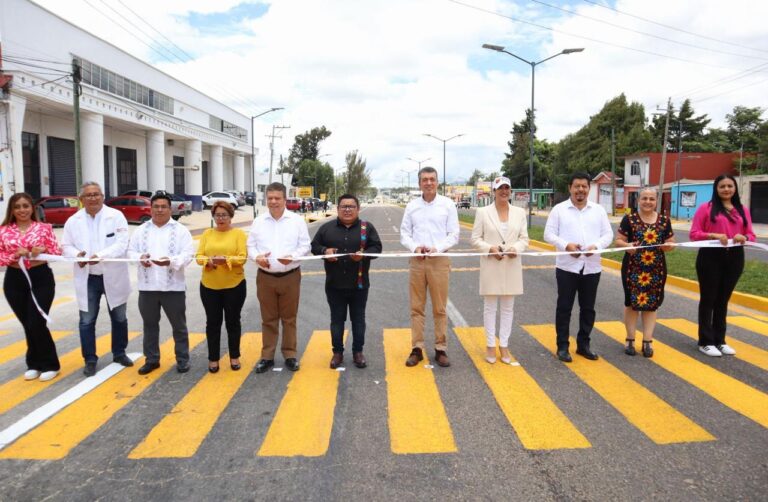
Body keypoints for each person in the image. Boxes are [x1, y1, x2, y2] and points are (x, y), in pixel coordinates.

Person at [62, 182, 133, 377]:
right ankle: (90, 359)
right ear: (81, 199)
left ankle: (119, 353)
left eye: (96, 194)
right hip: (88, 278)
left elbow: (121, 244)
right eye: (88, 195)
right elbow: (66, 246)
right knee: (86, 321)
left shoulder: (116, 216)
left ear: (103, 196)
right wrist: (78, 255)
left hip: (113, 275)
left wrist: (99, 255)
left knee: (119, 317)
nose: (93, 198)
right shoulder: (73, 221)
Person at [544, 172, 613, 362]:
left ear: (589, 188)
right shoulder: (559, 209)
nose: (580, 190)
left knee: (588, 308)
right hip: (567, 267)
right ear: (570, 188)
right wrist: (566, 245)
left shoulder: (598, 210)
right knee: (564, 307)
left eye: (584, 186)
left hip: (591, 267)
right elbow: (548, 234)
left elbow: (608, 235)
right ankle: (563, 346)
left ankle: (584, 345)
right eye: (577, 186)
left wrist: (596, 247)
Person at [311, 194, 383, 369]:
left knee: (358, 320)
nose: (347, 209)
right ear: (338, 209)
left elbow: (377, 248)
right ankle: (337, 353)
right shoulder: (326, 228)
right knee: (337, 320)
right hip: (334, 284)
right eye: (344, 206)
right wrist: (324, 251)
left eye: (351, 206)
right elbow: (314, 246)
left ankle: (358, 352)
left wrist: (363, 256)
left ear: (358, 209)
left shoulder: (367, 228)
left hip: (359, 284)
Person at [127, 193, 195, 375]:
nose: (159, 210)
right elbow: (130, 252)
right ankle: (152, 359)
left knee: (179, 326)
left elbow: (188, 254)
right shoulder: (141, 230)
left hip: (173, 287)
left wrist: (171, 261)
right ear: (151, 208)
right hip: (148, 287)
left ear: (170, 209)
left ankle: (182, 359)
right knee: (149, 325)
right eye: (156, 206)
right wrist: (140, 258)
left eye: (163, 206)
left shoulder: (180, 230)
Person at [689, 174, 756, 357]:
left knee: (723, 300)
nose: (726, 189)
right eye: (722, 186)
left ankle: (720, 340)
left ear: (735, 188)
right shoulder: (706, 208)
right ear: (716, 189)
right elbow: (694, 234)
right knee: (709, 299)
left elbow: (751, 234)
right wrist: (713, 235)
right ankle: (705, 341)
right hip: (710, 257)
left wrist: (745, 238)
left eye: (729, 186)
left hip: (734, 257)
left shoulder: (742, 210)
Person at [247, 182, 311, 373]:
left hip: (290, 276)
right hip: (265, 277)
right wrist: (257, 257)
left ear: (284, 199)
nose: (273, 201)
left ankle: (290, 355)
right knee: (268, 319)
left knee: (289, 318)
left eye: (277, 198)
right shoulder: (258, 221)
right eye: (270, 198)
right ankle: (267, 357)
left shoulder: (296, 221)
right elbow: (251, 246)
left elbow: (305, 246)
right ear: (266, 199)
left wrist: (292, 257)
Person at [400, 166, 460, 367]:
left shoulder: (447, 205)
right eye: (424, 179)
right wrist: (415, 247)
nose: (428, 183)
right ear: (419, 183)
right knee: (416, 307)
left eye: (432, 179)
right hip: (417, 262)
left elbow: (454, 235)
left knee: (440, 308)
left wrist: (437, 248)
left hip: (439, 260)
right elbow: (404, 234)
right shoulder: (412, 206)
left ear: (437, 182)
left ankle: (440, 348)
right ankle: (416, 348)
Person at [0, 193, 62, 381]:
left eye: (25, 206)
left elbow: (57, 252)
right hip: (14, 280)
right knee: (27, 323)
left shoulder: (44, 228)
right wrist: (15, 255)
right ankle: (34, 363)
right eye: (17, 207)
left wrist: (42, 251)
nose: (22, 210)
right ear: (11, 210)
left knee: (36, 321)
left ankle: (51, 364)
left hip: (40, 278)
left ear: (32, 208)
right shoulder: (3, 231)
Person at [470, 176, 529, 364]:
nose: (504, 191)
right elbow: (475, 239)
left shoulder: (520, 212)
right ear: (494, 191)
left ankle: (504, 345)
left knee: (507, 308)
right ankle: (489, 345)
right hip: (491, 264)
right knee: (489, 308)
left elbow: (524, 239)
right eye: (500, 188)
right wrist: (489, 249)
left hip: (511, 265)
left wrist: (516, 249)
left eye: (507, 188)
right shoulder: (483, 212)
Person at [614, 188, 675, 358]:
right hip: (633, 267)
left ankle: (647, 340)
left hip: (656, 268)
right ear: (638, 201)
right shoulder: (629, 219)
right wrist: (627, 246)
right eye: (644, 198)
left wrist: (668, 246)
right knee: (632, 303)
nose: (648, 202)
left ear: (657, 201)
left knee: (652, 304)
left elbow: (671, 242)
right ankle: (630, 339)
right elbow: (618, 240)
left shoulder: (664, 220)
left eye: (651, 199)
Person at [195, 201, 248, 373]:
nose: (221, 218)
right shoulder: (207, 234)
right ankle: (213, 359)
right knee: (213, 323)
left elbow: (242, 257)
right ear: (213, 217)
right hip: (209, 286)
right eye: (217, 215)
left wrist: (226, 260)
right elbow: (199, 256)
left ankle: (234, 356)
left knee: (233, 322)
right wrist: (208, 261)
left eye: (224, 215)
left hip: (234, 285)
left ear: (231, 216)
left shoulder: (239, 234)